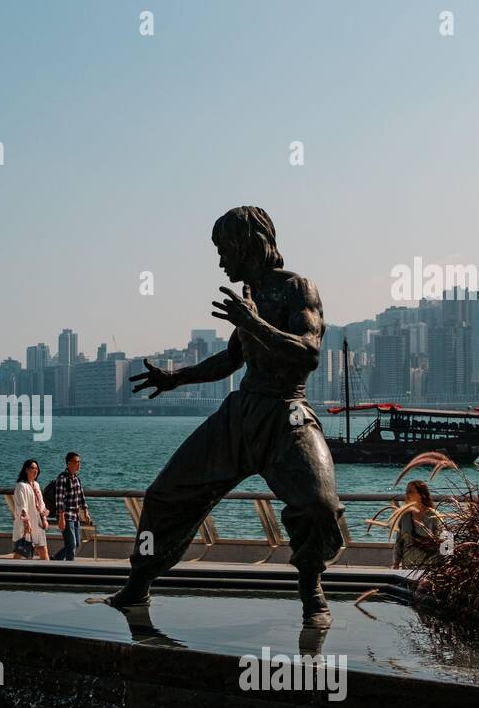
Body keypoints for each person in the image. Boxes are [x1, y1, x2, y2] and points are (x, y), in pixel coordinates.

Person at [109, 206, 345, 628]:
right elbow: (232, 359)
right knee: (164, 495)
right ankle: (138, 582)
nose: (221, 262)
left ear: (249, 245)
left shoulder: (297, 288)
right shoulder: (250, 296)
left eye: (224, 250)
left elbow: (308, 352)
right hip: (241, 413)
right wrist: (175, 379)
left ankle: (312, 590)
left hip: (286, 414)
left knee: (319, 504)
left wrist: (253, 322)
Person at [50, 452, 93, 561]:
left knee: (76, 543)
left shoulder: (76, 479)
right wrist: (61, 518)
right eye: (76, 462)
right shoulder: (62, 478)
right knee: (72, 545)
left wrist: (85, 512)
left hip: (75, 516)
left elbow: (81, 497)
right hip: (66, 516)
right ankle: (70, 567)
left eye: (79, 462)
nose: (79, 464)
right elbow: (59, 500)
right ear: (69, 464)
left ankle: (56, 559)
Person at [392, 479, 444, 568]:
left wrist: (446, 563)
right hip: (408, 566)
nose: (407, 495)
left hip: (429, 566)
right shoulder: (404, 516)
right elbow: (399, 542)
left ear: (422, 495)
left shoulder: (433, 515)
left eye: (411, 492)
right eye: (406, 492)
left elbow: (446, 539)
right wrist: (396, 563)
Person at [12, 459, 51, 559]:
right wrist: (26, 523)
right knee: (21, 551)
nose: (35, 471)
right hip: (27, 524)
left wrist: (44, 519)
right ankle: (10, 571)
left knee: (43, 551)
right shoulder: (21, 486)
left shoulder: (36, 485)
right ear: (26, 470)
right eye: (33, 468)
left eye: (37, 469)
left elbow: (41, 504)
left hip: (38, 523)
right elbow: (21, 506)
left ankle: (47, 573)